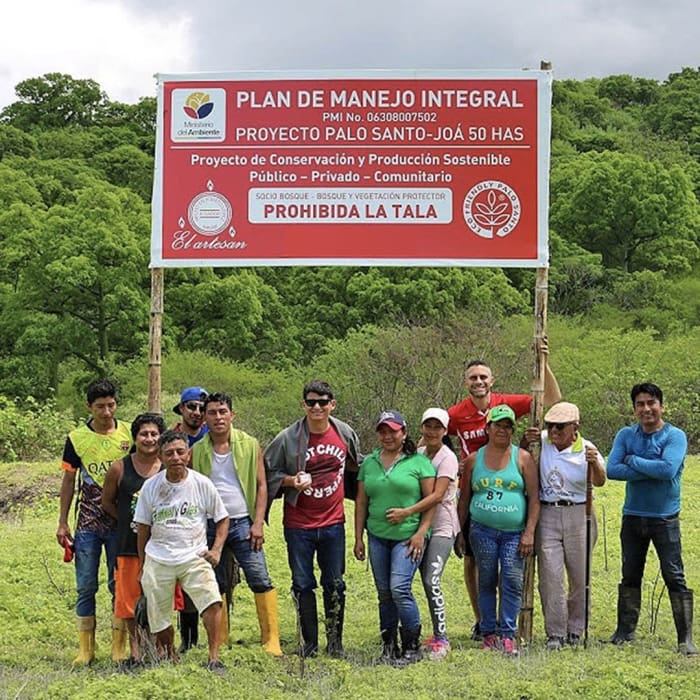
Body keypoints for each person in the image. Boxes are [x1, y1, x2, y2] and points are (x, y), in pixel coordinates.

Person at [450, 354, 560, 640]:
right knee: (474, 563)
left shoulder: (505, 405)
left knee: (508, 572)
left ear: (491, 380)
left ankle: (506, 628)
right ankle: (481, 621)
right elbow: (432, 435)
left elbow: (551, 399)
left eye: (483, 377)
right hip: (474, 491)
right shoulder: (456, 413)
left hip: (510, 489)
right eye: (473, 377)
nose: (478, 382)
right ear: (466, 382)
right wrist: (449, 464)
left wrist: (543, 362)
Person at [264, 380, 362, 658]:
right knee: (303, 584)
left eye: (322, 401)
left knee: (335, 583)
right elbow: (266, 472)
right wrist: (290, 480)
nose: (317, 407)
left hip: (334, 522)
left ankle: (335, 644)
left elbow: (357, 465)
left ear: (333, 404)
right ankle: (309, 645)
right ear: (303, 405)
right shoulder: (287, 438)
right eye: (311, 402)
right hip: (299, 525)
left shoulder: (344, 432)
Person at [605, 383, 697, 655]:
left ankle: (685, 639)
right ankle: (624, 632)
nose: (646, 409)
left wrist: (633, 461)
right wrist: (649, 467)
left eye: (651, 403)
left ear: (661, 406)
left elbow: (668, 469)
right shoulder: (626, 434)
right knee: (630, 574)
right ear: (634, 409)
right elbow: (612, 470)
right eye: (640, 404)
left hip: (665, 518)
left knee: (674, 575)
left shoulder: (675, 436)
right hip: (632, 516)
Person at [191, 391, 282, 656]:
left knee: (259, 576)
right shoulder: (197, 450)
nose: (218, 417)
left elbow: (262, 485)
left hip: (243, 521)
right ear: (205, 417)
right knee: (215, 583)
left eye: (222, 412)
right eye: (212, 412)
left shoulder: (249, 444)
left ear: (232, 414)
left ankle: (271, 639)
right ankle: (220, 638)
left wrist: (258, 522)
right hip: (209, 523)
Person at [134, 430, 229, 672]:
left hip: (194, 555)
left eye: (180, 452)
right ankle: (171, 655)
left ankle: (214, 657)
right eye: (169, 453)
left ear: (188, 454)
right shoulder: (151, 487)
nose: (176, 457)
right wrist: (143, 565)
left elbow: (222, 519)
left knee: (213, 601)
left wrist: (216, 550)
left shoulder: (201, 483)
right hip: (158, 556)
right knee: (158, 614)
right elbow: (143, 528)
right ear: (161, 457)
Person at [56, 379, 133, 666]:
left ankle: (118, 647)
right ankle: (86, 649)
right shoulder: (76, 438)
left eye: (111, 405)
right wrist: (63, 522)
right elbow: (68, 480)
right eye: (100, 406)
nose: (106, 411)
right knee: (86, 584)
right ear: (89, 407)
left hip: (120, 521)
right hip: (87, 522)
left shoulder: (129, 433)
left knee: (119, 584)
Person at [520, 402, 606, 650]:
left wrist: (595, 464)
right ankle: (555, 633)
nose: (554, 431)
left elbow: (600, 481)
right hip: (548, 511)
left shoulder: (587, 448)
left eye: (560, 427)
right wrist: (527, 440)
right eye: (551, 426)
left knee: (579, 575)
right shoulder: (543, 441)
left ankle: (575, 629)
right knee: (550, 575)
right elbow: (523, 456)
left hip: (579, 513)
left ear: (574, 427)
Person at [354, 410, 436, 666]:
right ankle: (389, 645)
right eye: (382, 431)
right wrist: (358, 537)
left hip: (408, 536)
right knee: (384, 592)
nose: (387, 436)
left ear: (404, 432)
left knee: (400, 588)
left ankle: (412, 646)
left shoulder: (419, 462)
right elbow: (361, 501)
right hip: (377, 535)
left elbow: (431, 501)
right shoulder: (370, 462)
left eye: (393, 430)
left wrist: (422, 532)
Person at [457, 405, 539, 656]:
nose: (502, 430)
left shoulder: (522, 458)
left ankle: (507, 634)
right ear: (488, 428)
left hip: (514, 532)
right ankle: (488, 631)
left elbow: (535, 498)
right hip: (482, 531)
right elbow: (464, 498)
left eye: (507, 426)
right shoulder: (474, 460)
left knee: (512, 581)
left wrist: (529, 532)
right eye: (498, 425)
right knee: (487, 580)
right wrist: (459, 531)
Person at [385, 408, 460, 660]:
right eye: (428, 426)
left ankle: (442, 637)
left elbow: (437, 496)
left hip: (441, 527)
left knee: (431, 580)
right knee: (407, 582)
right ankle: (412, 633)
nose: (432, 431)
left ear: (445, 430)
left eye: (437, 427)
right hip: (419, 527)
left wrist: (406, 512)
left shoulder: (447, 458)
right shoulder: (417, 454)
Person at [102, 413, 167, 666]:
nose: (149, 439)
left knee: (159, 597)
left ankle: (159, 650)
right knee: (129, 600)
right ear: (135, 437)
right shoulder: (120, 467)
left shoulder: (167, 467)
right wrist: (129, 521)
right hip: (128, 544)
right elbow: (108, 502)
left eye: (154, 434)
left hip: (162, 545)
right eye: (143, 434)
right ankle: (136, 653)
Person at [172, 386, 209, 653]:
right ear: (182, 408)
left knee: (217, 578)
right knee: (183, 580)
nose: (196, 412)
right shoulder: (171, 438)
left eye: (201, 408)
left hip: (210, 514)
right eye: (191, 406)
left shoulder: (215, 436)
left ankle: (221, 636)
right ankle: (188, 640)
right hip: (179, 515)